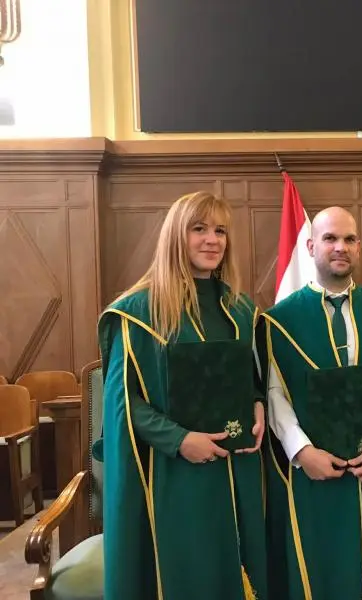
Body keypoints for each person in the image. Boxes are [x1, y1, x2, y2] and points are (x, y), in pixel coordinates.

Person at [97, 191, 269, 600]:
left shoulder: (241, 309)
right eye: (199, 229)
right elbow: (122, 401)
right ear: (176, 235)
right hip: (173, 472)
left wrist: (258, 404)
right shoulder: (138, 312)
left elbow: (249, 379)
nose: (212, 240)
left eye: (220, 231)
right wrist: (179, 439)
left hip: (236, 467)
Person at [260, 206, 362, 600]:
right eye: (330, 238)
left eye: (348, 239)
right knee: (318, 568)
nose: (340, 247)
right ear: (311, 246)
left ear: (359, 247)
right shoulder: (279, 320)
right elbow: (275, 395)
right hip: (311, 472)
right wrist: (302, 452)